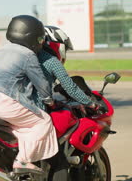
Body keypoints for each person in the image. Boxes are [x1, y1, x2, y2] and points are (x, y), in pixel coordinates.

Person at [0, 15, 57, 175]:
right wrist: (49, 100)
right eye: (40, 38)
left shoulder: (0, 51)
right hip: (1, 101)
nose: (41, 42)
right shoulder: (28, 54)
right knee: (43, 121)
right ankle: (23, 160)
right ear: (32, 37)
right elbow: (41, 84)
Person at [35, 25, 97, 181]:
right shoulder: (50, 60)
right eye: (64, 49)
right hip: (34, 110)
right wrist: (90, 103)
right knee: (58, 158)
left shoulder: (27, 57)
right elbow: (71, 87)